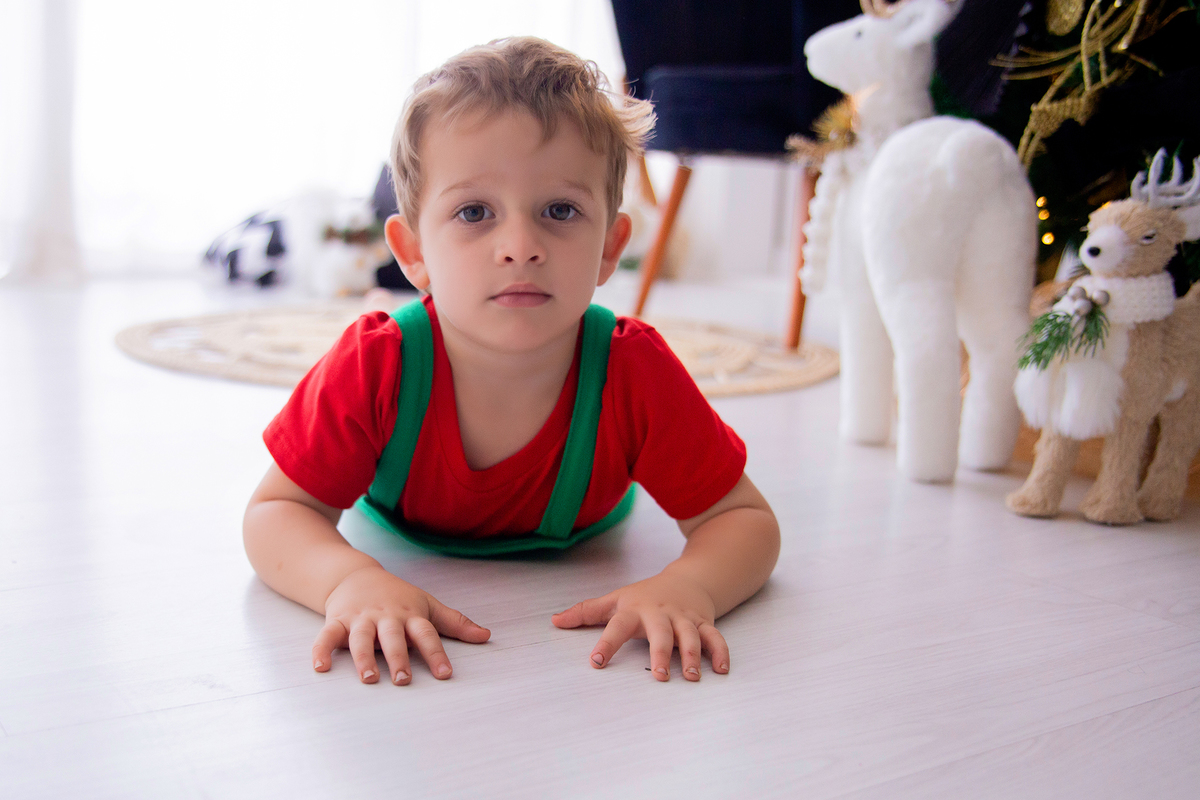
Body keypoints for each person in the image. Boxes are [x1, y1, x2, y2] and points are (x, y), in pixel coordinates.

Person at [243, 36, 780, 686]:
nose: (521, 247)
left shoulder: (633, 371)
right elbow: (276, 513)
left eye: (560, 211)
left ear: (610, 249)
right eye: (475, 212)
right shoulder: (374, 362)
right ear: (412, 252)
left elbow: (743, 522)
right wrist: (347, 579)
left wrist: (690, 585)